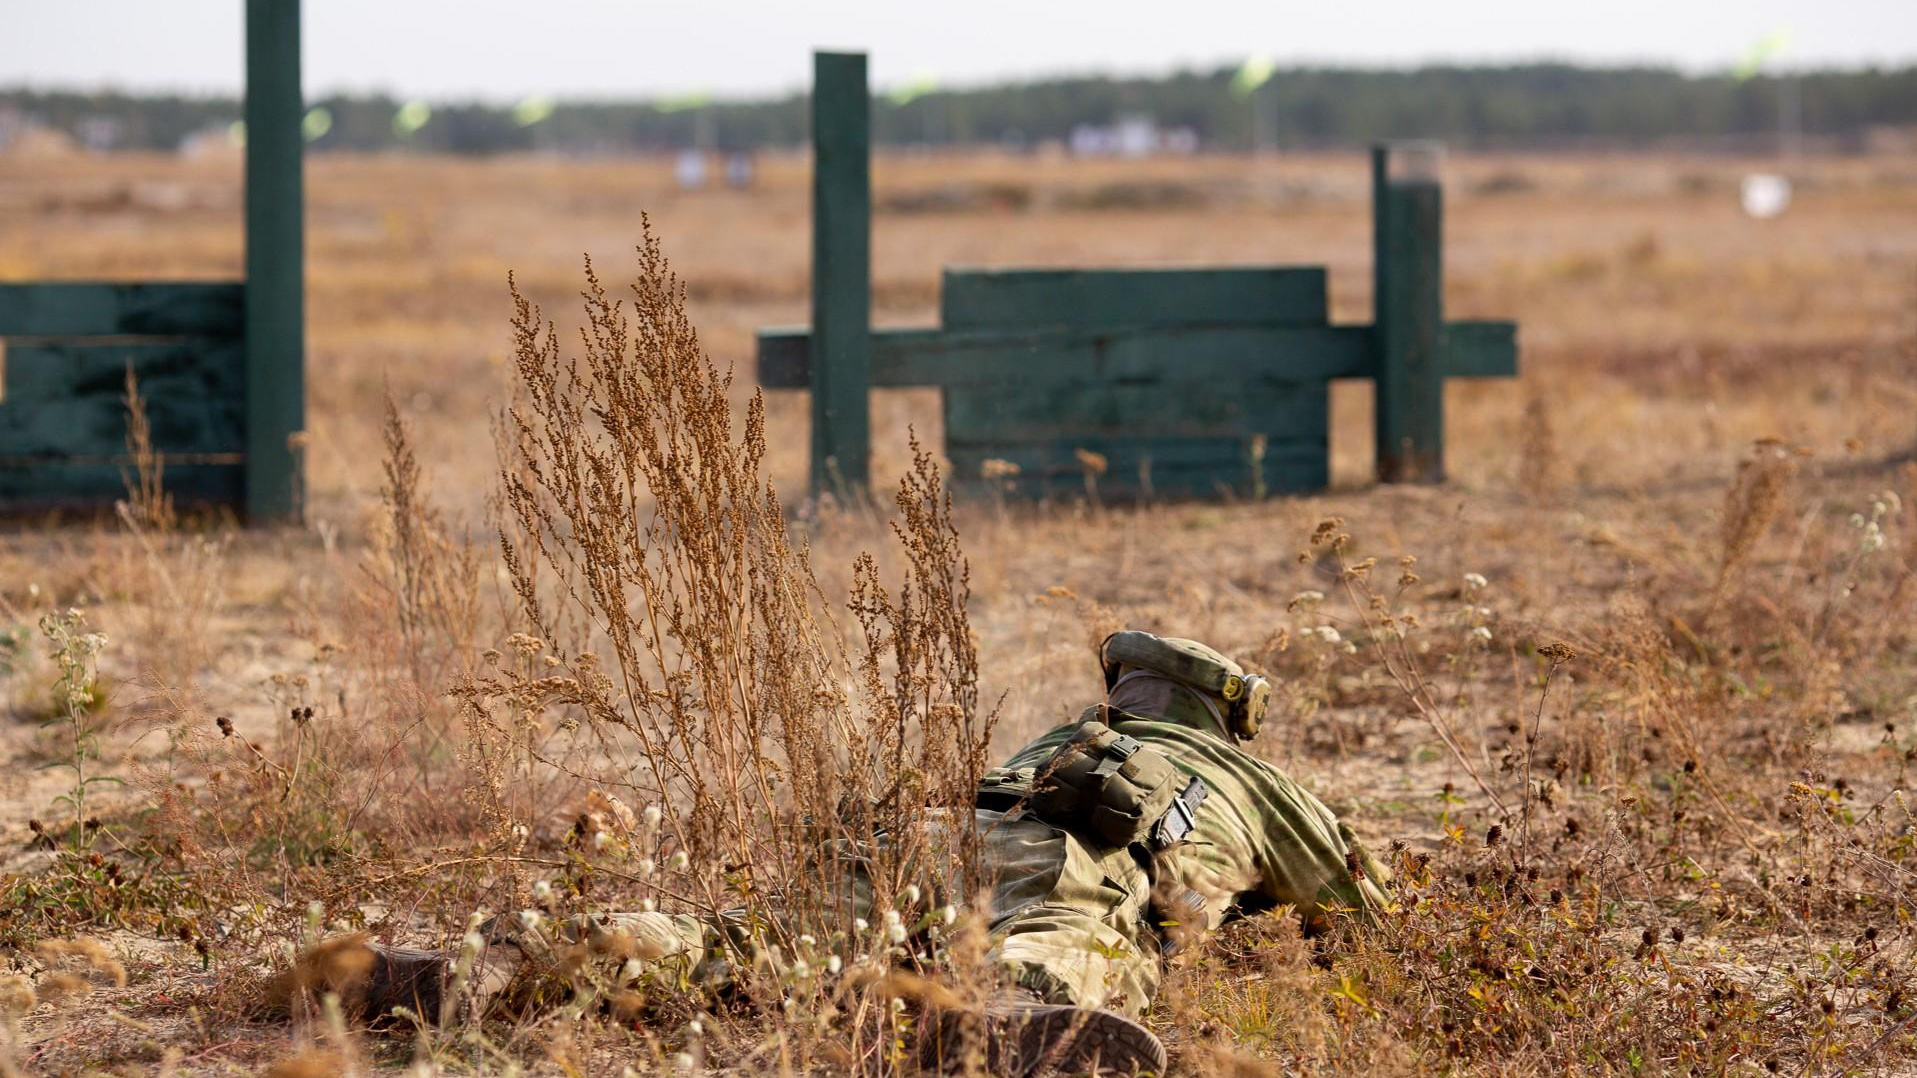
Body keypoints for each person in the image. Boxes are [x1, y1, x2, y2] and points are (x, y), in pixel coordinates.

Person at [354, 631, 1387, 1076]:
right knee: (1068, 943)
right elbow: (1362, 910)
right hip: (1064, 861)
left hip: (923, 846)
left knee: (751, 939)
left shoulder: (1064, 735)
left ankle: (506, 963)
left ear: (1127, 694)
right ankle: (1001, 1023)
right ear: (1224, 715)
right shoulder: (1251, 779)